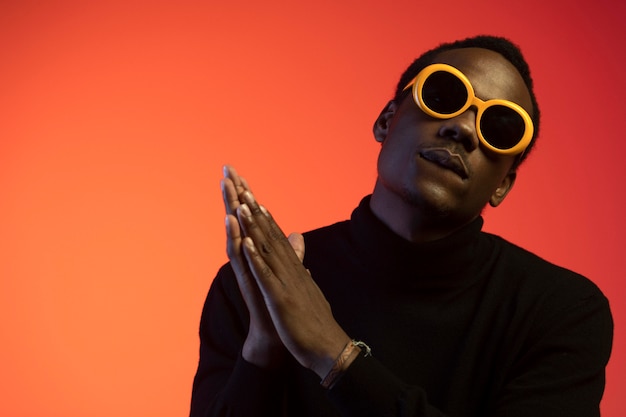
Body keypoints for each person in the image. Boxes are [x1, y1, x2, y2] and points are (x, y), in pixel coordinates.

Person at [189, 35, 613, 417]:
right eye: (444, 95)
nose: (464, 128)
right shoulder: (257, 286)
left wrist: (334, 355)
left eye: (499, 129)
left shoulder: (561, 311)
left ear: (502, 184)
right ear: (386, 120)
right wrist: (262, 351)